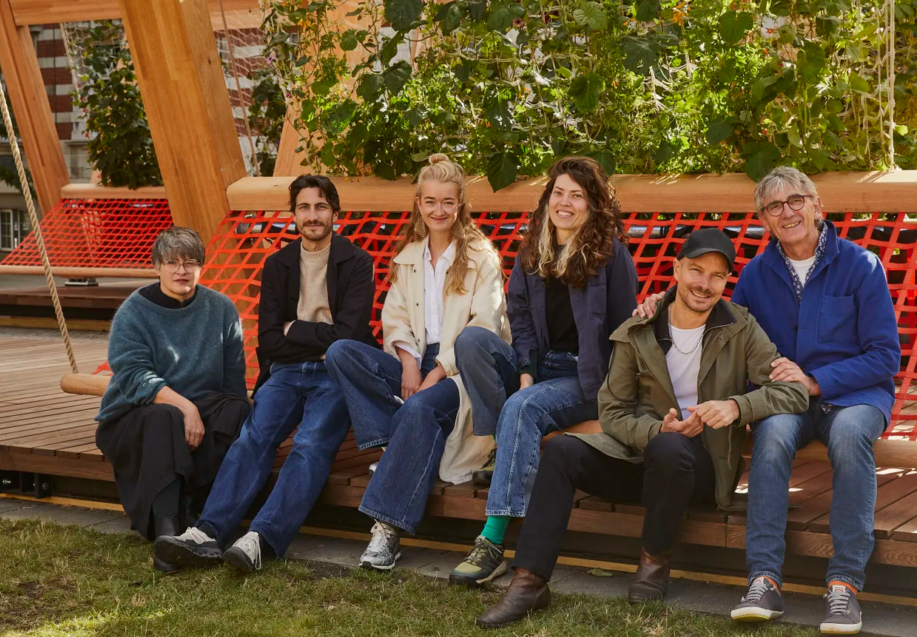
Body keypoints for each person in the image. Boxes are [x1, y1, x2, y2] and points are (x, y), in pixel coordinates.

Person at [476, 228, 808, 628]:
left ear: (726, 282)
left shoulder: (741, 328)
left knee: (670, 450)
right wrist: (653, 430)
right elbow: (611, 410)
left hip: (702, 471)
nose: (704, 284)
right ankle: (529, 582)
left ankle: (654, 563)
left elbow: (792, 393)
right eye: (696, 270)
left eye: (717, 276)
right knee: (563, 450)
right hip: (642, 458)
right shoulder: (639, 329)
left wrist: (736, 406)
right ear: (676, 269)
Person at [635, 168, 901, 633]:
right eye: (774, 206)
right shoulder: (757, 274)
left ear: (817, 206)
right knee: (772, 436)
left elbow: (884, 357)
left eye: (796, 200)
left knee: (849, 434)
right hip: (785, 400)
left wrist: (815, 380)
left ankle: (844, 586)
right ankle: (763, 579)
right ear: (764, 219)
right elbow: (717, 318)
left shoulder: (862, 265)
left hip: (854, 394)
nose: (788, 212)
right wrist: (659, 305)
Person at [153, 175, 378, 573]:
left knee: (309, 443)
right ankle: (207, 532)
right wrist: (308, 337)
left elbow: (349, 335)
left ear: (335, 213)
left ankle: (262, 539)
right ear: (293, 214)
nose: (312, 215)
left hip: (336, 373)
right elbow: (272, 340)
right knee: (253, 437)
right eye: (304, 207)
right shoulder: (278, 264)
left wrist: (297, 329)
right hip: (287, 370)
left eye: (321, 207)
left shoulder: (357, 262)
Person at [447, 157, 638, 588]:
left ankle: (492, 541)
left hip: (587, 377)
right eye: (559, 193)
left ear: (592, 205)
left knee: (523, 405)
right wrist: (528, 372)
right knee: (470, 342)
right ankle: (509, 446)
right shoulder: (533, 251)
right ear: (548, 199)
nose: (565, 203)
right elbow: (522, 320)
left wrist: (616, 395)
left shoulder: (612, 257)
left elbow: (625, 332)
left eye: (577, 195)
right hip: (542, 368)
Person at [325, 153, 510, 571]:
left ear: (461, 204)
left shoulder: (481, 257)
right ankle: (393, 442)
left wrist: (434, 372)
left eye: (447, 202)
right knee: (341, 353)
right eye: (430, 202)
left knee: (423, 405)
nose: (438, 211)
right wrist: (409, 364)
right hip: (417, 361)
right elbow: (396, 319)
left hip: (459, 368)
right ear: (419, 204)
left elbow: (484, 326)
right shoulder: (409, 255)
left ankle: (386, 530)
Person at [95, 227, 252, 570]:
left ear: (202, 268)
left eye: (190, 262)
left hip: (201, 408)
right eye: (172, 262)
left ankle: (201, 514)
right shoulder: (134, 311)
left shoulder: (222, 310)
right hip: (135, 414)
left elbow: (233, 384)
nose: (181, 270)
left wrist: (229, 419)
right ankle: (166, 532)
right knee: (165, 416)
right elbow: (134, 376)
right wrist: (186, 408)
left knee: (237, 409)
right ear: (157, 266)